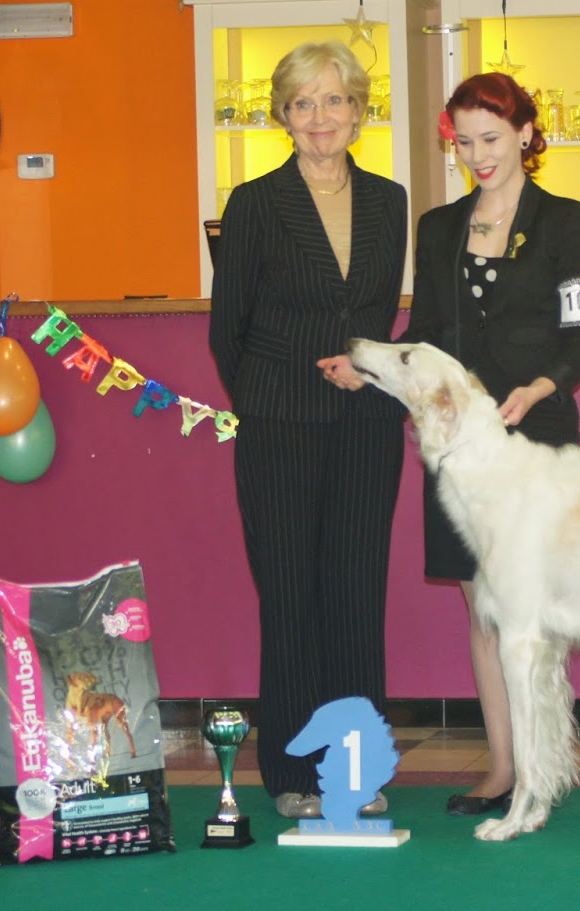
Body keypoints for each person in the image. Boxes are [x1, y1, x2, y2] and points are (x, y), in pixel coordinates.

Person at [324, 72, 580, 816]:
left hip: (535, 437)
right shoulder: (439, 227)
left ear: (525, 134)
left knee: (530, 612)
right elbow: (425, 337)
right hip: (457, 449)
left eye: (491, 139)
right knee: (483, 607)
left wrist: (541, 387)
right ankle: (506, 768)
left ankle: (545, 765)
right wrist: (368, 369)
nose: (479, 156)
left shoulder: (564, 220)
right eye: (465, 143)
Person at [209, 40, 407, 820]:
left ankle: (357, 769)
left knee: (356, 597)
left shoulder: (390, 200)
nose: (320, 117)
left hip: (367, 423)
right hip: (279, 427)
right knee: (290, 597)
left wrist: (368, 373)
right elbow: (228, 331)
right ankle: (293, 772)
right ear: (283, 116)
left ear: (358, 110)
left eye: (334, 100)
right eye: (302, 103)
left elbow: (381, 315)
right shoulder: (254, 203)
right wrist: (274, 397)